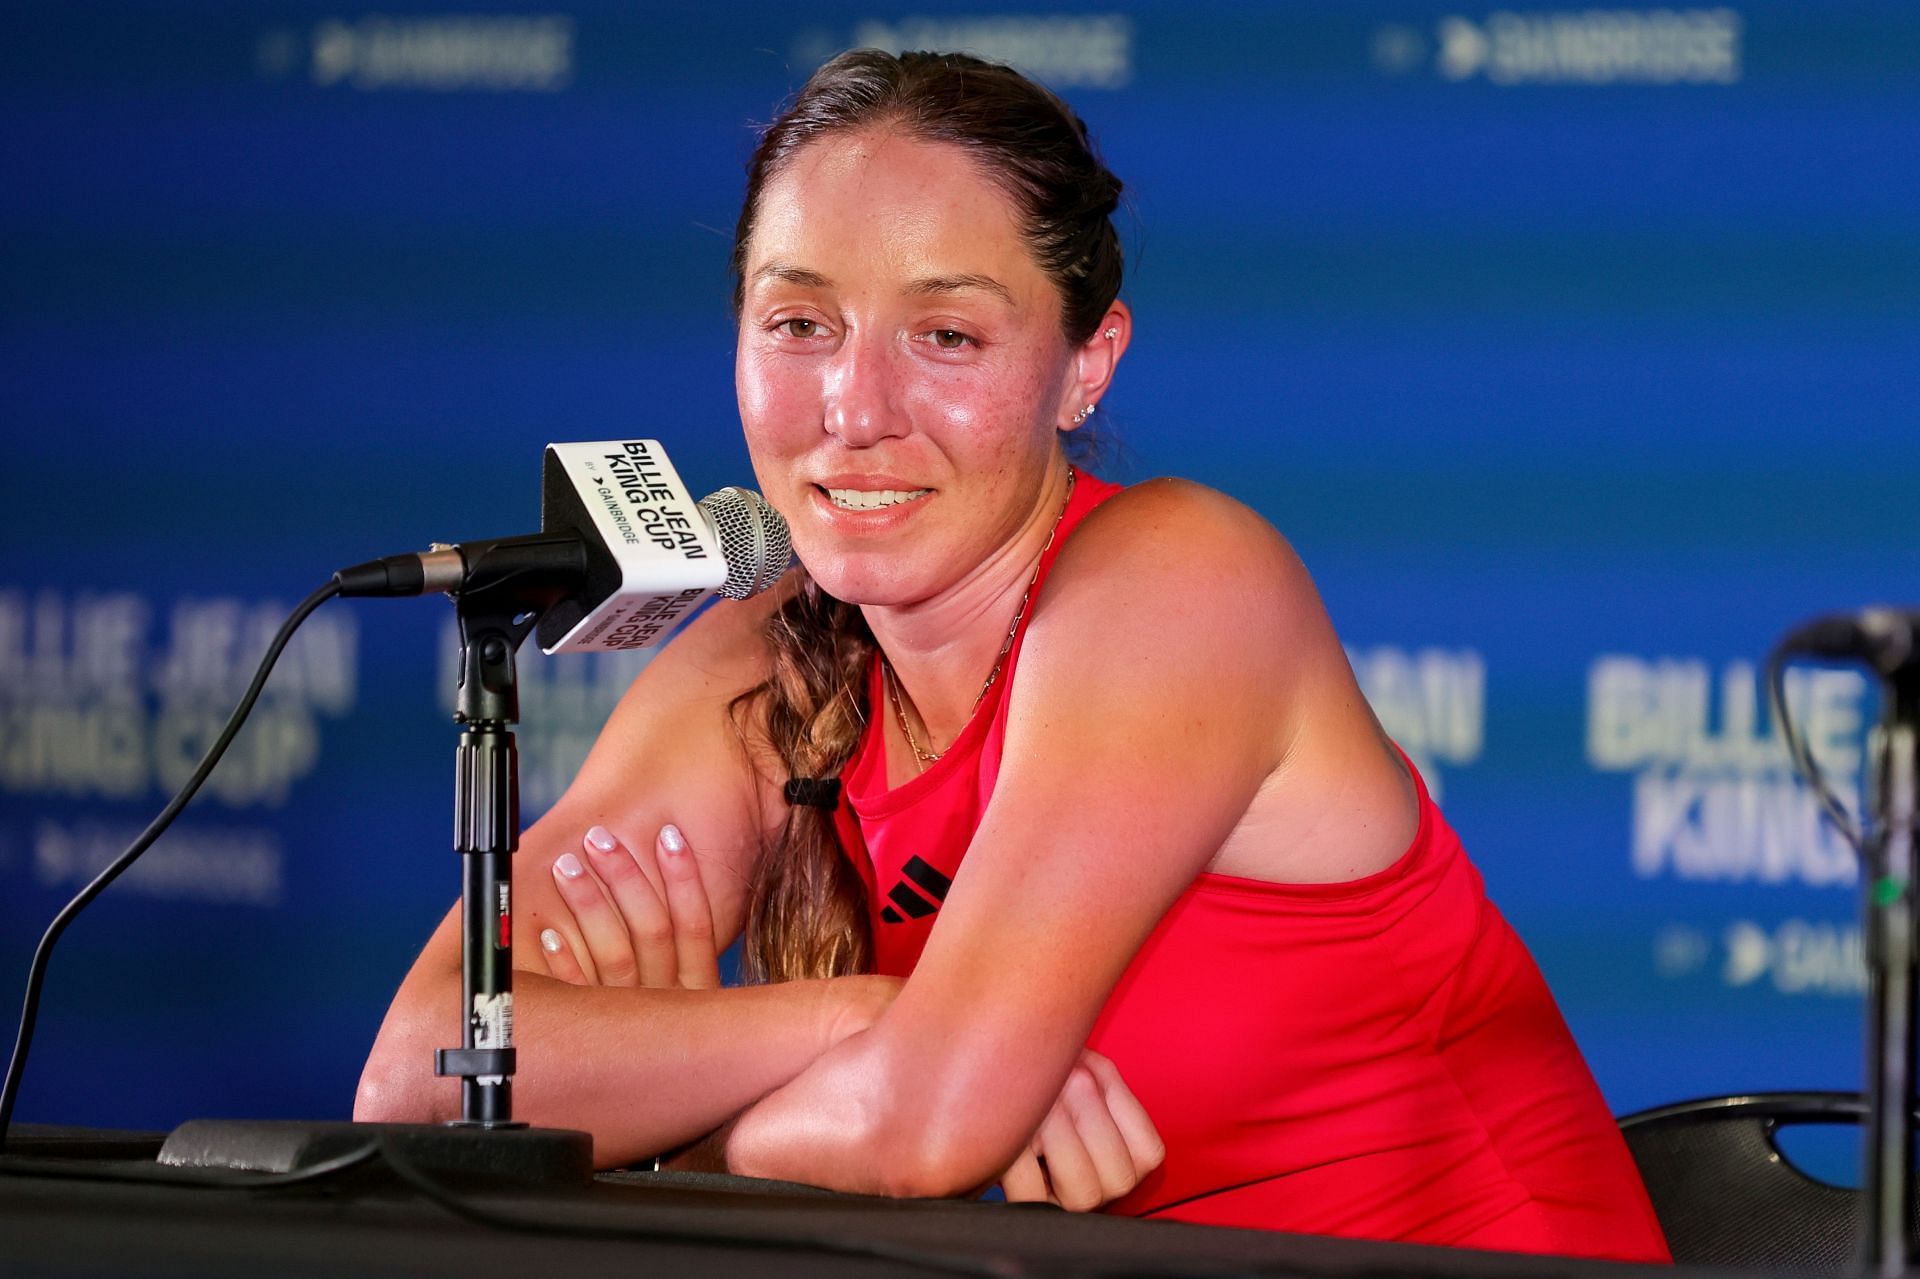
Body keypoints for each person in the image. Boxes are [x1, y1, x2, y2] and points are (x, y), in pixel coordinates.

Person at [357, 49, 1669, 1261]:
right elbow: (421, 1075)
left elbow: (923, 1129)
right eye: (799, 323)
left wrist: (682, 1125)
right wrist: (854, 1024)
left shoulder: (1177, 580)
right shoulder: (761, 664)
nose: (853, 410)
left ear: (1086, 365)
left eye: (948, 336)